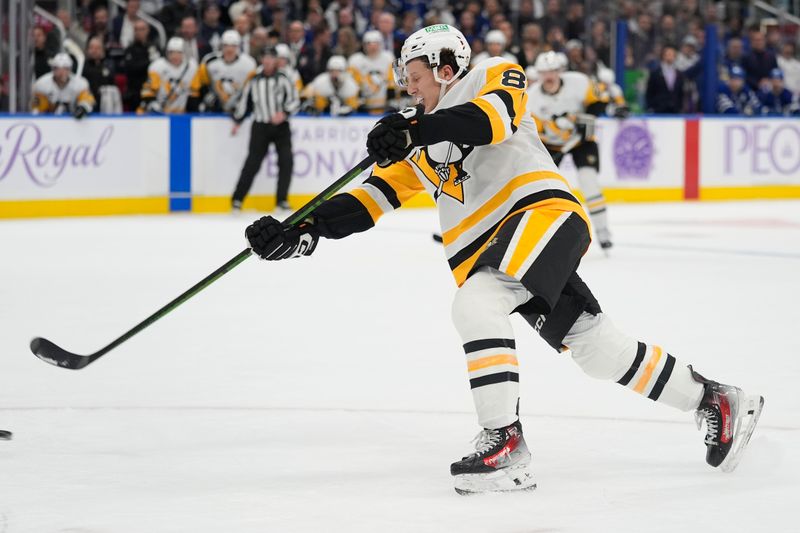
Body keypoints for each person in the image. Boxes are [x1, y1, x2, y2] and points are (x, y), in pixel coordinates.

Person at [241, 24, 764, 495]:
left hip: (540, 218)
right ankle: (711, 401)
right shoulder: (417, 136)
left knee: (476, 302)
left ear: (447, 68)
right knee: (595, 348)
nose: (408, 85)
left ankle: (505, 443)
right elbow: (372, 198)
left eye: (415, 75)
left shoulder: (493, 73)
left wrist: (416, 130)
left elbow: (492, 120)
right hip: (505, 248)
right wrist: (301, 230)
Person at [527, 51, 617, 250]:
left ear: (560, 71)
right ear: (538, 74)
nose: (549, 76)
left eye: (552, 71)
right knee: (543, 188)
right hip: (550, 145)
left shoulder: (579, 82)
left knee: (589, 182)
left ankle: (603, 232)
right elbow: (533, 130)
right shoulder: (530, 98)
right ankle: (543, 235)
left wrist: (588, 118)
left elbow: (600, 100)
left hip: (581, 142)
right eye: (544, 72)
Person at [231, 47, 299, 211]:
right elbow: (245, 103)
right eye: (265, 57)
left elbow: (295, 100)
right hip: (260, 126)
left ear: (276, 60)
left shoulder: (283, 78)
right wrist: (238, 120)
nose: (267, 61)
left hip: (281, 126)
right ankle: (237, 199)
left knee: (286, 162)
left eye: (270, 58)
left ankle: (281, 200)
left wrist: (284, 113)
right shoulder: (254, 79)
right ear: (261, 60)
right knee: (252, 163)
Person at [189, 30, 256, 113]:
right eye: (226, 45)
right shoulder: (210, 61)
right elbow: (198, 86)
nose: (229, 49)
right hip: (215, 107)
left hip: (240, 107)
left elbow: (252, 89)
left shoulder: (249, 64)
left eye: (233, 46)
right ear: (221, 46)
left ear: (239, 46)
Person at [139, 37, 199, 114]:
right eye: (171, 52)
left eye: (178, 52)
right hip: (160, 112)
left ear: (184, 53)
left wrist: (192, 112)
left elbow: (193, 93)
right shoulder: (157, 67)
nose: (175, 56)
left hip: (180, 112)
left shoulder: (191, 67)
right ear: (167, 53)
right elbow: (148, 91)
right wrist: (152, 103)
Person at [31, 53, 95, 118]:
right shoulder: (41, 84)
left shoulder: (81, 83)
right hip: (49, 121)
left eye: (65, 68)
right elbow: (36, 109)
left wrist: (83, 108)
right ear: (53, 69)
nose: (61, 72)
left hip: (74, 121)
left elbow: (88, 101)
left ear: (70, 69)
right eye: (57, 68)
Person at [347, 30, 395, 114]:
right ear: (364, 45)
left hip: (385, 105)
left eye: (375, 44)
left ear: (381, 44)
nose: (373, 47)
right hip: (363, 106)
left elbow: (392, 80)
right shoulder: (355, 60)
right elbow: (352, 84)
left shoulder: (388, 58)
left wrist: (392, 98)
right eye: (369, 44)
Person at [645, 43, 685, 113]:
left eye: (672, 54)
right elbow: (649, 91)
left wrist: (680, 107)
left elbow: (680, 93)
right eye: (668, 54)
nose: (670, 57)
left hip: (674, 110)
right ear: (663, 56)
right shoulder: (655, 73)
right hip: (659, 109)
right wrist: (650, 107)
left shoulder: (679, 74)